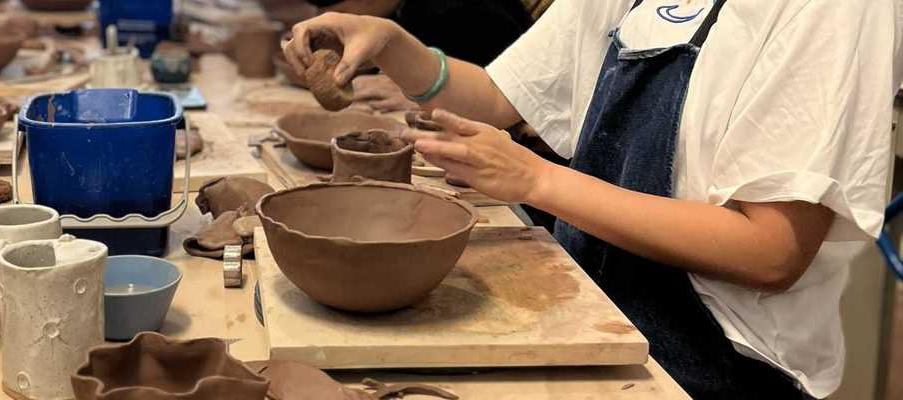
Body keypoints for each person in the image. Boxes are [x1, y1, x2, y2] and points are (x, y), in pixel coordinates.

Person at [284, 0, 901, 398]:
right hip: (600, 316)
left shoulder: (837, 10)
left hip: (721, 367)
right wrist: (393, 44)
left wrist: (536, 180)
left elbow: (772, 250)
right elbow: (502, 95)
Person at [302, 0, 534, 112]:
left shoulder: (469, 14)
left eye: (341, 10)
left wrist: (417, 90)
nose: (326, 15)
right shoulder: (402, 9)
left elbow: (512, 103)